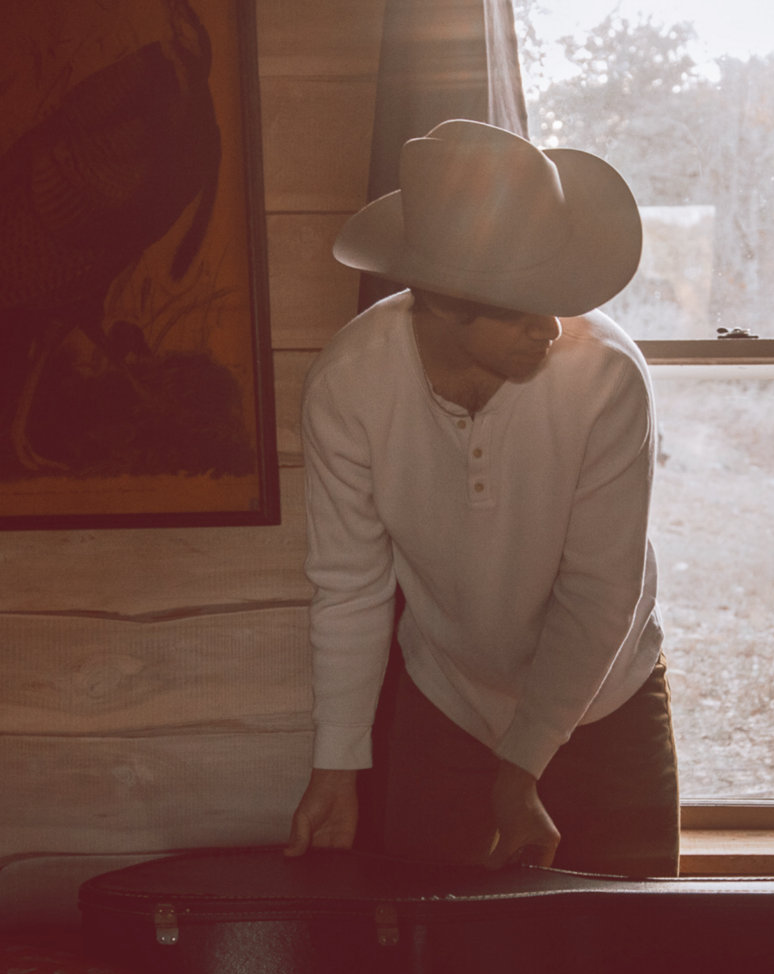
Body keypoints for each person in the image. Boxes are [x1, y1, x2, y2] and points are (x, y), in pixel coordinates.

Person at [285, 119, 679, 876]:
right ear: (439, 299)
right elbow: (349, 589)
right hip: (450, 703)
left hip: (605, 698)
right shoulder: (349, 385)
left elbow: (599, 591)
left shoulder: (607, 376)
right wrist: (336, 768)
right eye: (519, 305)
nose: (549, 326)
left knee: (635, 936)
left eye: (554, 294)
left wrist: (523, 765)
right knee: (438, 938)